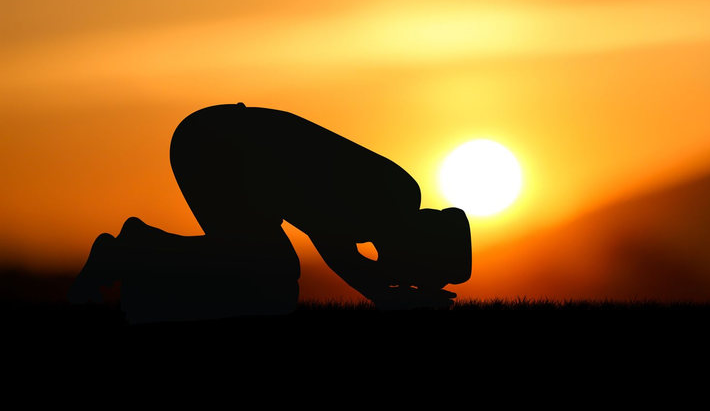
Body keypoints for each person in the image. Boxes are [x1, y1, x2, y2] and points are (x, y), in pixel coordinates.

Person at [68, 103, 472, 323]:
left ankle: (146, 277)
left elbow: (346, 254)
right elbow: (338, 253)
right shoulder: (386, 203)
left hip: (227, 149)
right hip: (217, 146)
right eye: (423, 272)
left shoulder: (392, 206)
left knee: (269, 285)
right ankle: (135, 253)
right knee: (271, 271)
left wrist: (387, 294)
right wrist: (387, 296)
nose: (412, 277)